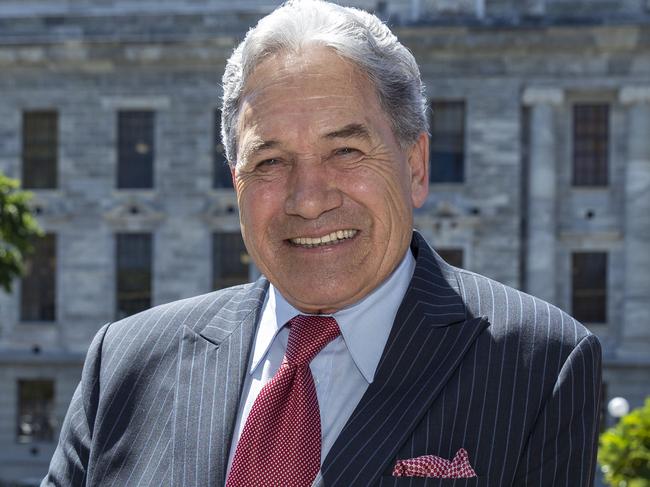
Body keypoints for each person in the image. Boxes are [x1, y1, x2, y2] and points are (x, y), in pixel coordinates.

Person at [42, 1, 602, 486]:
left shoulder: (539, 365)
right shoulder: (124, 361)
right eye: (270, 161)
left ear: (416, 166)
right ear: (237, 181)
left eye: (346, 152)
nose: (308, 199)